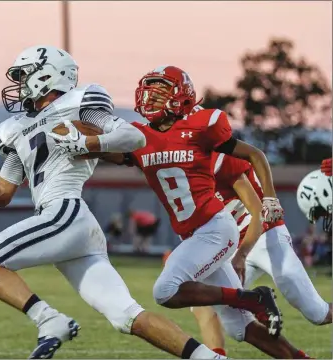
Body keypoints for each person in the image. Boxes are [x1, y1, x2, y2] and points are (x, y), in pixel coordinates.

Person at [0, 45, 230, 360]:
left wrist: (86, 142)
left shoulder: (78, 102)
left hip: (64, 211)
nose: (19, 84)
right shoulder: (14, 129)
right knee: (127, 316)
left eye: (24, 75)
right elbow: (1, 191)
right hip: (72, 225)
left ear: (46, 74)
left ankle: (51, 321)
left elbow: (133, 138)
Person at [91, 65, 308, 358]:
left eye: (161, 90)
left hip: (215, 229)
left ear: (181, 95)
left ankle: (252, 298)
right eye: (149, 89)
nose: (151, 96)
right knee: (240, 327)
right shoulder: (138, 137)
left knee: (165, 290)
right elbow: (100, 148)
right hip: (193, 236)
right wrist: (72, 137)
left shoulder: (201, 127)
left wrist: (269, 199)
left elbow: (255, 154)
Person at [191, 153, 331, 358]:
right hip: (233, 244)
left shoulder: (217, 154)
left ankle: (258, 302)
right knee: (206, 303)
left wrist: (242, 253)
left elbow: (255, 157)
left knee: (318, 313)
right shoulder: (180, 162)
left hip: (265, 235)